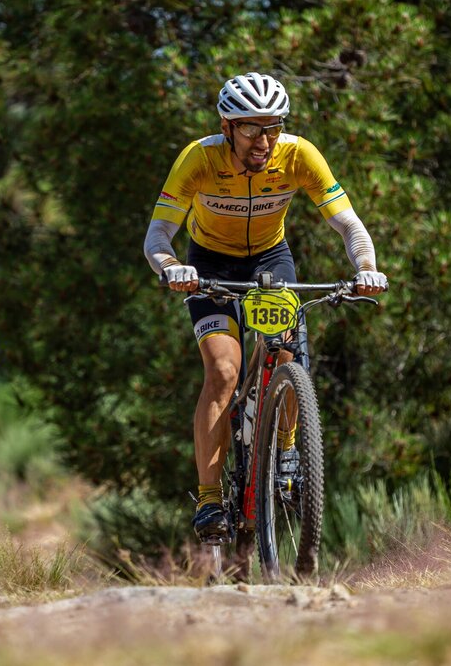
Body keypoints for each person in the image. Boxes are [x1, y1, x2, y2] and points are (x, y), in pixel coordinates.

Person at [143, 72, 388, 541]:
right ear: (227, 127)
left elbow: (349, 224)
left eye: (273, 127)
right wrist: (172, 267)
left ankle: (287, 450)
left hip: (270, 259)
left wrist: (366, 268)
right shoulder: (200, 158)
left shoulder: (298, 154)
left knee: (287, 352)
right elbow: (158, 234)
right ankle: (210, 499)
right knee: (224, 371)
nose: (264, 140)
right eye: (251, 128)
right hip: (208, 263)